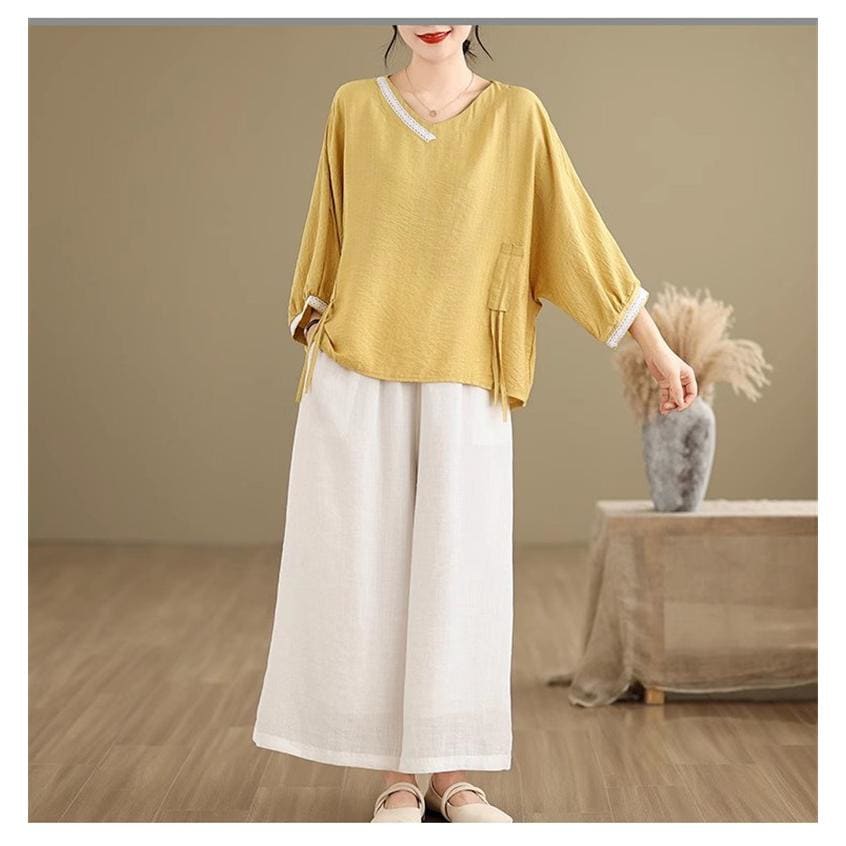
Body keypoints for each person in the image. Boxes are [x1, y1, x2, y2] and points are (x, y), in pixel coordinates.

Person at [252, 24, 698, 824]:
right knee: (368, 576)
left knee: (459, 579)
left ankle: (451, 775)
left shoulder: (518, 116)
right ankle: (397, 778)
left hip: (468, 378)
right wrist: (318, 334)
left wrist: (658, 350)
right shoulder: (354, 108)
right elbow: (326, 238)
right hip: (359, 375)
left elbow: (577, 239)